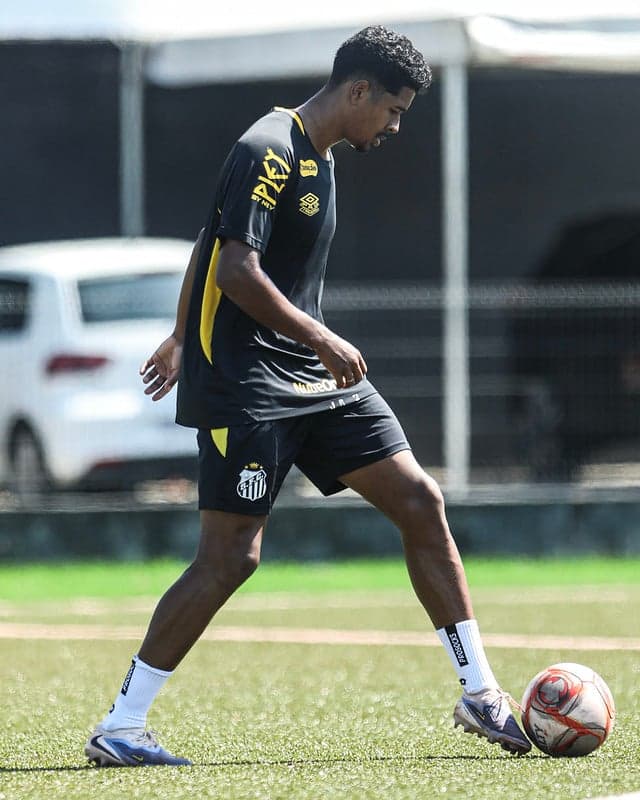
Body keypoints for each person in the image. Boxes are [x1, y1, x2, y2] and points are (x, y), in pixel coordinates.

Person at [85, 25, 531, 767]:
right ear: (358, 90)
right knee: (231, 557)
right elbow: (233, 267)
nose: (393, 128)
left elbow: (207, 238)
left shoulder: (322, 157)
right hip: (245, 386)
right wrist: (315, 338)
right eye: (391, 111)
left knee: (420, 500)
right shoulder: (267, 146)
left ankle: (480, 692)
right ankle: (122, 725)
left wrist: (177, 330)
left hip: (312, 381)